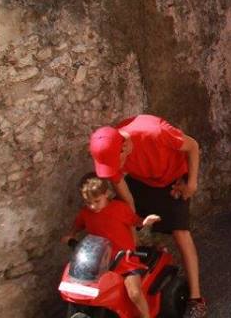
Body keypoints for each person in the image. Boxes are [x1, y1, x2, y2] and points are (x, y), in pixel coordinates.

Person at [89, 115, 207, 318]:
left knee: (180, 232)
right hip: (143, 181)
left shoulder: (155, 132)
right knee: (118, 217)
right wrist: (131, 221)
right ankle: (133, 275)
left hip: (174, 180)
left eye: (115, 164)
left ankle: (196, 299)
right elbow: (127, 201)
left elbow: (193, 147)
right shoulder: (109, 152)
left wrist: (191, 184)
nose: (114, 170)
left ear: (124, 148)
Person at [62, 175, 161, 318]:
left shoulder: (120, 208)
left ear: (107, 194)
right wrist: (71, 235)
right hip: (99, 262)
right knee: (83, 289)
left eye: (97, 201)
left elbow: (135, 221)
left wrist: (145, 221)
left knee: (134, 292)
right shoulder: (85, 213)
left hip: (125, 261)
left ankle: (146, 316)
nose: (93, 206)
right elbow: (78, 224)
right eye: (88, 203)